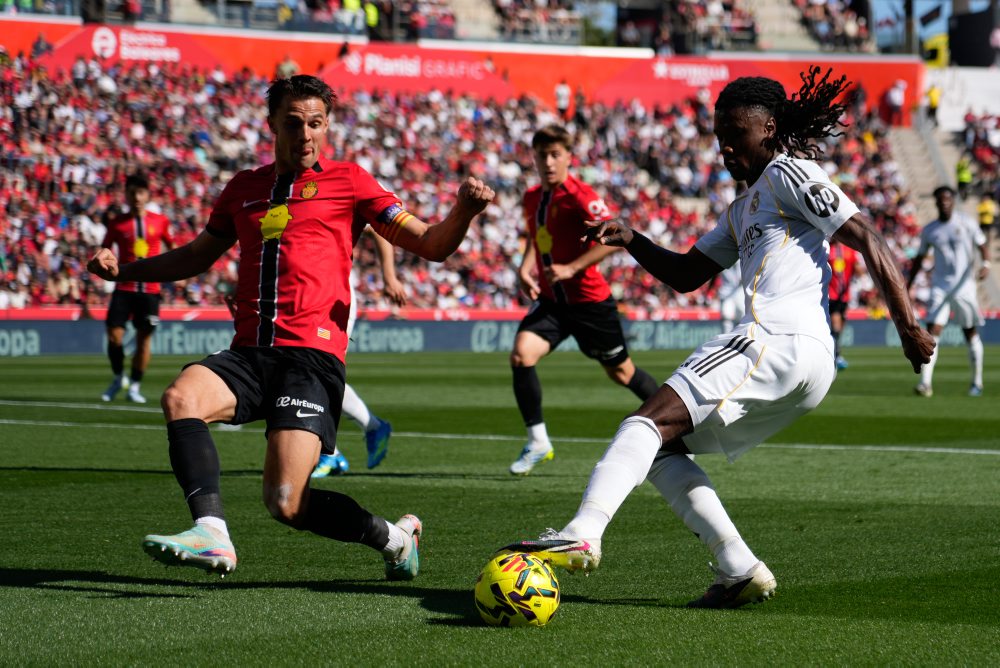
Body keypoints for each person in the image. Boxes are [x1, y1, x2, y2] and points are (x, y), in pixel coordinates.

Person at [498, 69, 935, 608]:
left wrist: (907, 326)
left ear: (770, 129)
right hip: (804, 365)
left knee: (642, 422)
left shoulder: (790, 173)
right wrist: (632, 238)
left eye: (737, 133)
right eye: (719, 135)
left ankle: (584, 531)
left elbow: (866, 234)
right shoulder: (743, 208)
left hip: (778, 339)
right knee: (661, 447)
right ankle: (739, 568)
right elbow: (686, 275)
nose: (726, 146)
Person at [87, 75, 494, 579]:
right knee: (180, 398)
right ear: (273, 126)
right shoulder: (243, 188)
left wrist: (465, 212)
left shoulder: (351, 181)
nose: (306, 134)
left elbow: (432, 244)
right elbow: (197, 255)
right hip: (250, 352)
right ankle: (212, 532)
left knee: (286, 503)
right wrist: (124, 271)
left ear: (328, 126)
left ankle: (395, 538)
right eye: (294, 123)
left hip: (311, 358)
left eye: (316, 123)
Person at [509, 124, 660, 475]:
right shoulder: (532, 197)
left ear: (568, 157)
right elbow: (537, 238)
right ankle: (538, 441)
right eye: (541, 155)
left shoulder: (581, 195)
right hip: (553, 302)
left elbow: (612, 238)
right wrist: (524, 269)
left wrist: (571, 268)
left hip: (590, 303)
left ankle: (679, 424)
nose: (547, 161)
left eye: (555, 155)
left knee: (622, 373)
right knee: (521, 354)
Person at [312, 227, 406, 477]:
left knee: (317, 371)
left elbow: (377, 227)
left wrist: (389, 277)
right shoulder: (275, 195)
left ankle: (329, 453)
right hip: (291, 296)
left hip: (331, 296)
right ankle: (370, 429)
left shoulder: (328, 191)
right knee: (298, 373)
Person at [907, 185, 990, 397]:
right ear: (936, 203)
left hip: (964, 286)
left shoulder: (967, 223)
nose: (944, 202)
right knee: (933, 332)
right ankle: (925, 383)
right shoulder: (930, 230)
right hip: (940, 286)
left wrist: (986, 264)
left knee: (969, 332)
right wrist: (908, 283)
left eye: (947, 199)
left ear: (952, 201)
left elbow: (982, 244)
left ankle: (977, 383)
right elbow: (920, 257)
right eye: (940, 199)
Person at [100, 174, 174, 404]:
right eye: (132, 193)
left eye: (140, 193)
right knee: (114, 337)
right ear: (127, 196)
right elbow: (105, 250)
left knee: (144, 340)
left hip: (150, 290)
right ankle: (118, 378)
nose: (136, 197)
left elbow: (173, 248)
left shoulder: (160, 221)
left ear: (147, 195)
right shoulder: (117, 223)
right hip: (124, 287)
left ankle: (134, 386)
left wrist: (172, 274)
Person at [828, 241, 860, 370]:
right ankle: (836, 355)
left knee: (841, 324)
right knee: (836, 322)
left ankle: (835, 351)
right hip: (831, 293)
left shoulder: (847, 250)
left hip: (845, 295)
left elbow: (857, 269)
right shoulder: (828, 249)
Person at [715, 261, 743, 333]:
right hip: (726, 292)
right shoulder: (722, 257)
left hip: (740, 292)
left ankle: (740, 340)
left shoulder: (743, 254)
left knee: (742, 318)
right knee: (726, 318)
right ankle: (726, 340)